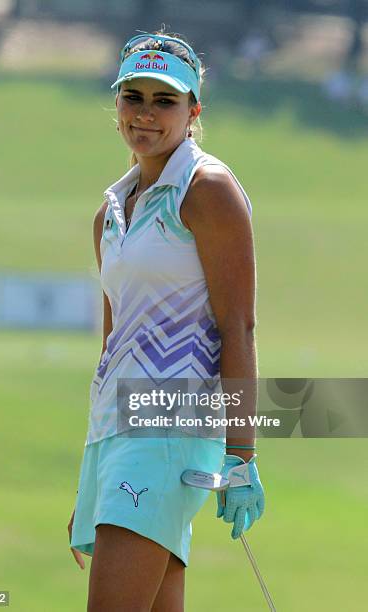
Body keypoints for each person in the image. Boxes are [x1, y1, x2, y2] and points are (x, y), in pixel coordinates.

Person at [68, 29, 265, 611]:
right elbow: (113, 344)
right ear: (117, 104)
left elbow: (239, 326)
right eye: (134, 97)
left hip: (170, 430)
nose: (146, 115)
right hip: (119, 432)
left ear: (193, 110)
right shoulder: (110, 211)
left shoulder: (207, 190)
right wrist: (96, 461)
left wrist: (242, 454)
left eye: (165, 101)